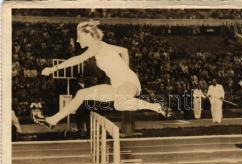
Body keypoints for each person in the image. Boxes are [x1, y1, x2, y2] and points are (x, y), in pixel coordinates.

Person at [36, 20, 170, 128]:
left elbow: (78, 59)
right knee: (82, 94)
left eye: (79, 37)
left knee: (120, 104)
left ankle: (157, 107)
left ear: (88, 35)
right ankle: (52, 120)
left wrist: (53, 69)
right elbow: (124, 51)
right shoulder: (103, 45)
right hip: (117, 84)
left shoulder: (97, 46)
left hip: (128, 82)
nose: (77, 41)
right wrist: (125, 69)